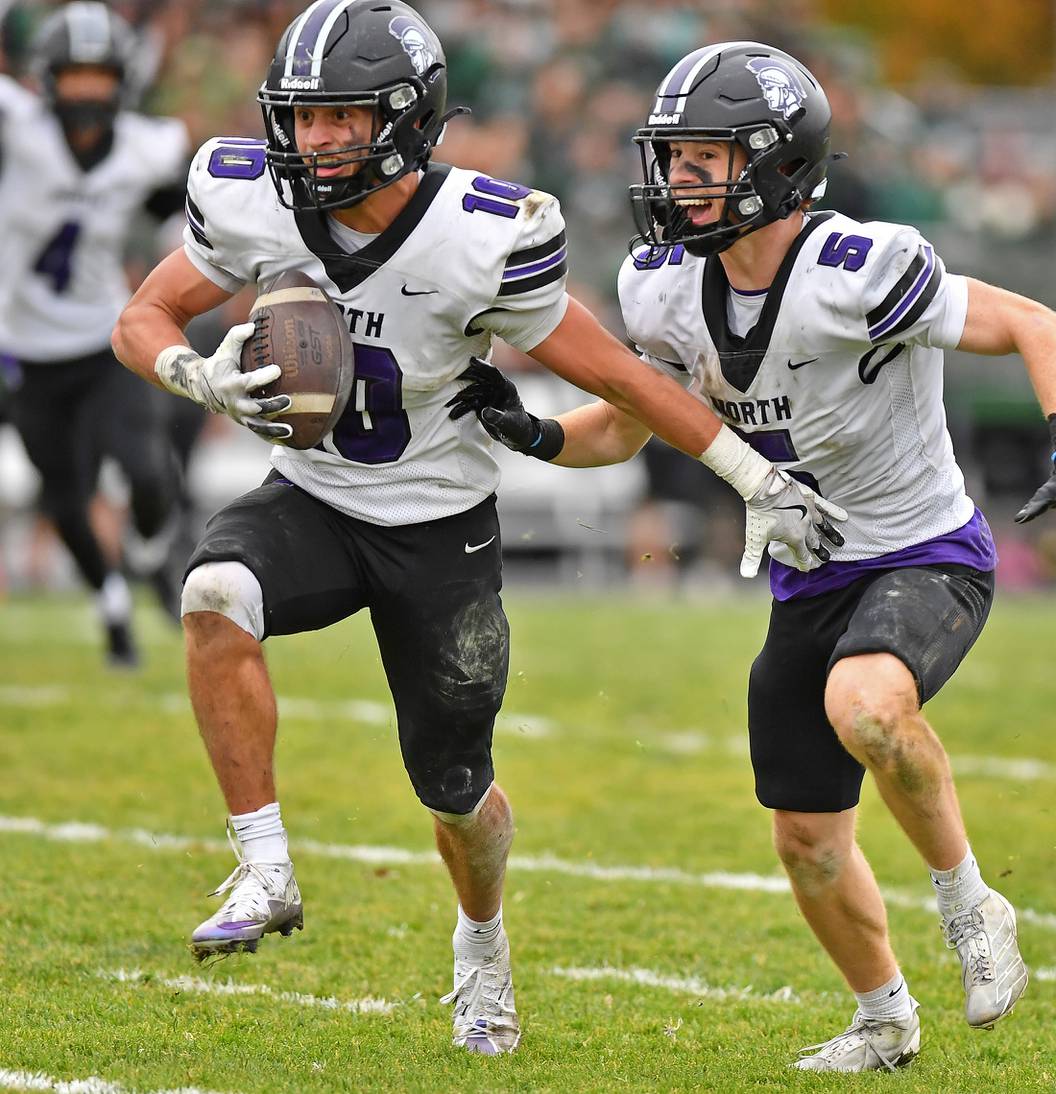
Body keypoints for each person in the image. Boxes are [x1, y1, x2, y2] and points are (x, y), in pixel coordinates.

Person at [110, 5, 843, 1059]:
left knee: (456, 792)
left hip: (438, 525)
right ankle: (263, 863)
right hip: (312, 495)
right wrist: (197, 373)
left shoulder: (485, 234)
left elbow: (619, 378)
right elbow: (143, 313)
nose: (313, 141)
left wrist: (748, 473)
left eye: (340, 120)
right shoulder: (249, 195)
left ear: (407, 121)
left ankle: (482, 941)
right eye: (302, 118)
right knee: (212, 593)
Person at [446, 41, 1056, 1072]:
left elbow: (1041, 324)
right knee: (806, 840)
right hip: (809, 569)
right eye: (673, 157)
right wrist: (537, 432)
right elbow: (634, 422)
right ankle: (884, 1015)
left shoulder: (862, 270)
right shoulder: (665, 285)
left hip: (924, 550)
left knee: (866, 707)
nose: (677, 180)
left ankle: (972, 905)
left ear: (774, 165)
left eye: (704, 159)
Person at [0, 1, 192, 665]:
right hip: (26, 345)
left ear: (123, 81)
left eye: (99, 77)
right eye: (73, 76)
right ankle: (112, 603)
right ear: (46, 79)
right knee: (64, 494)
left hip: (106, 335)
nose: (86, 93)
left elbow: (191, 218)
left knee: (145, 468)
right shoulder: (16, 130)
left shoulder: (148, 148)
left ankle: (148, 557)